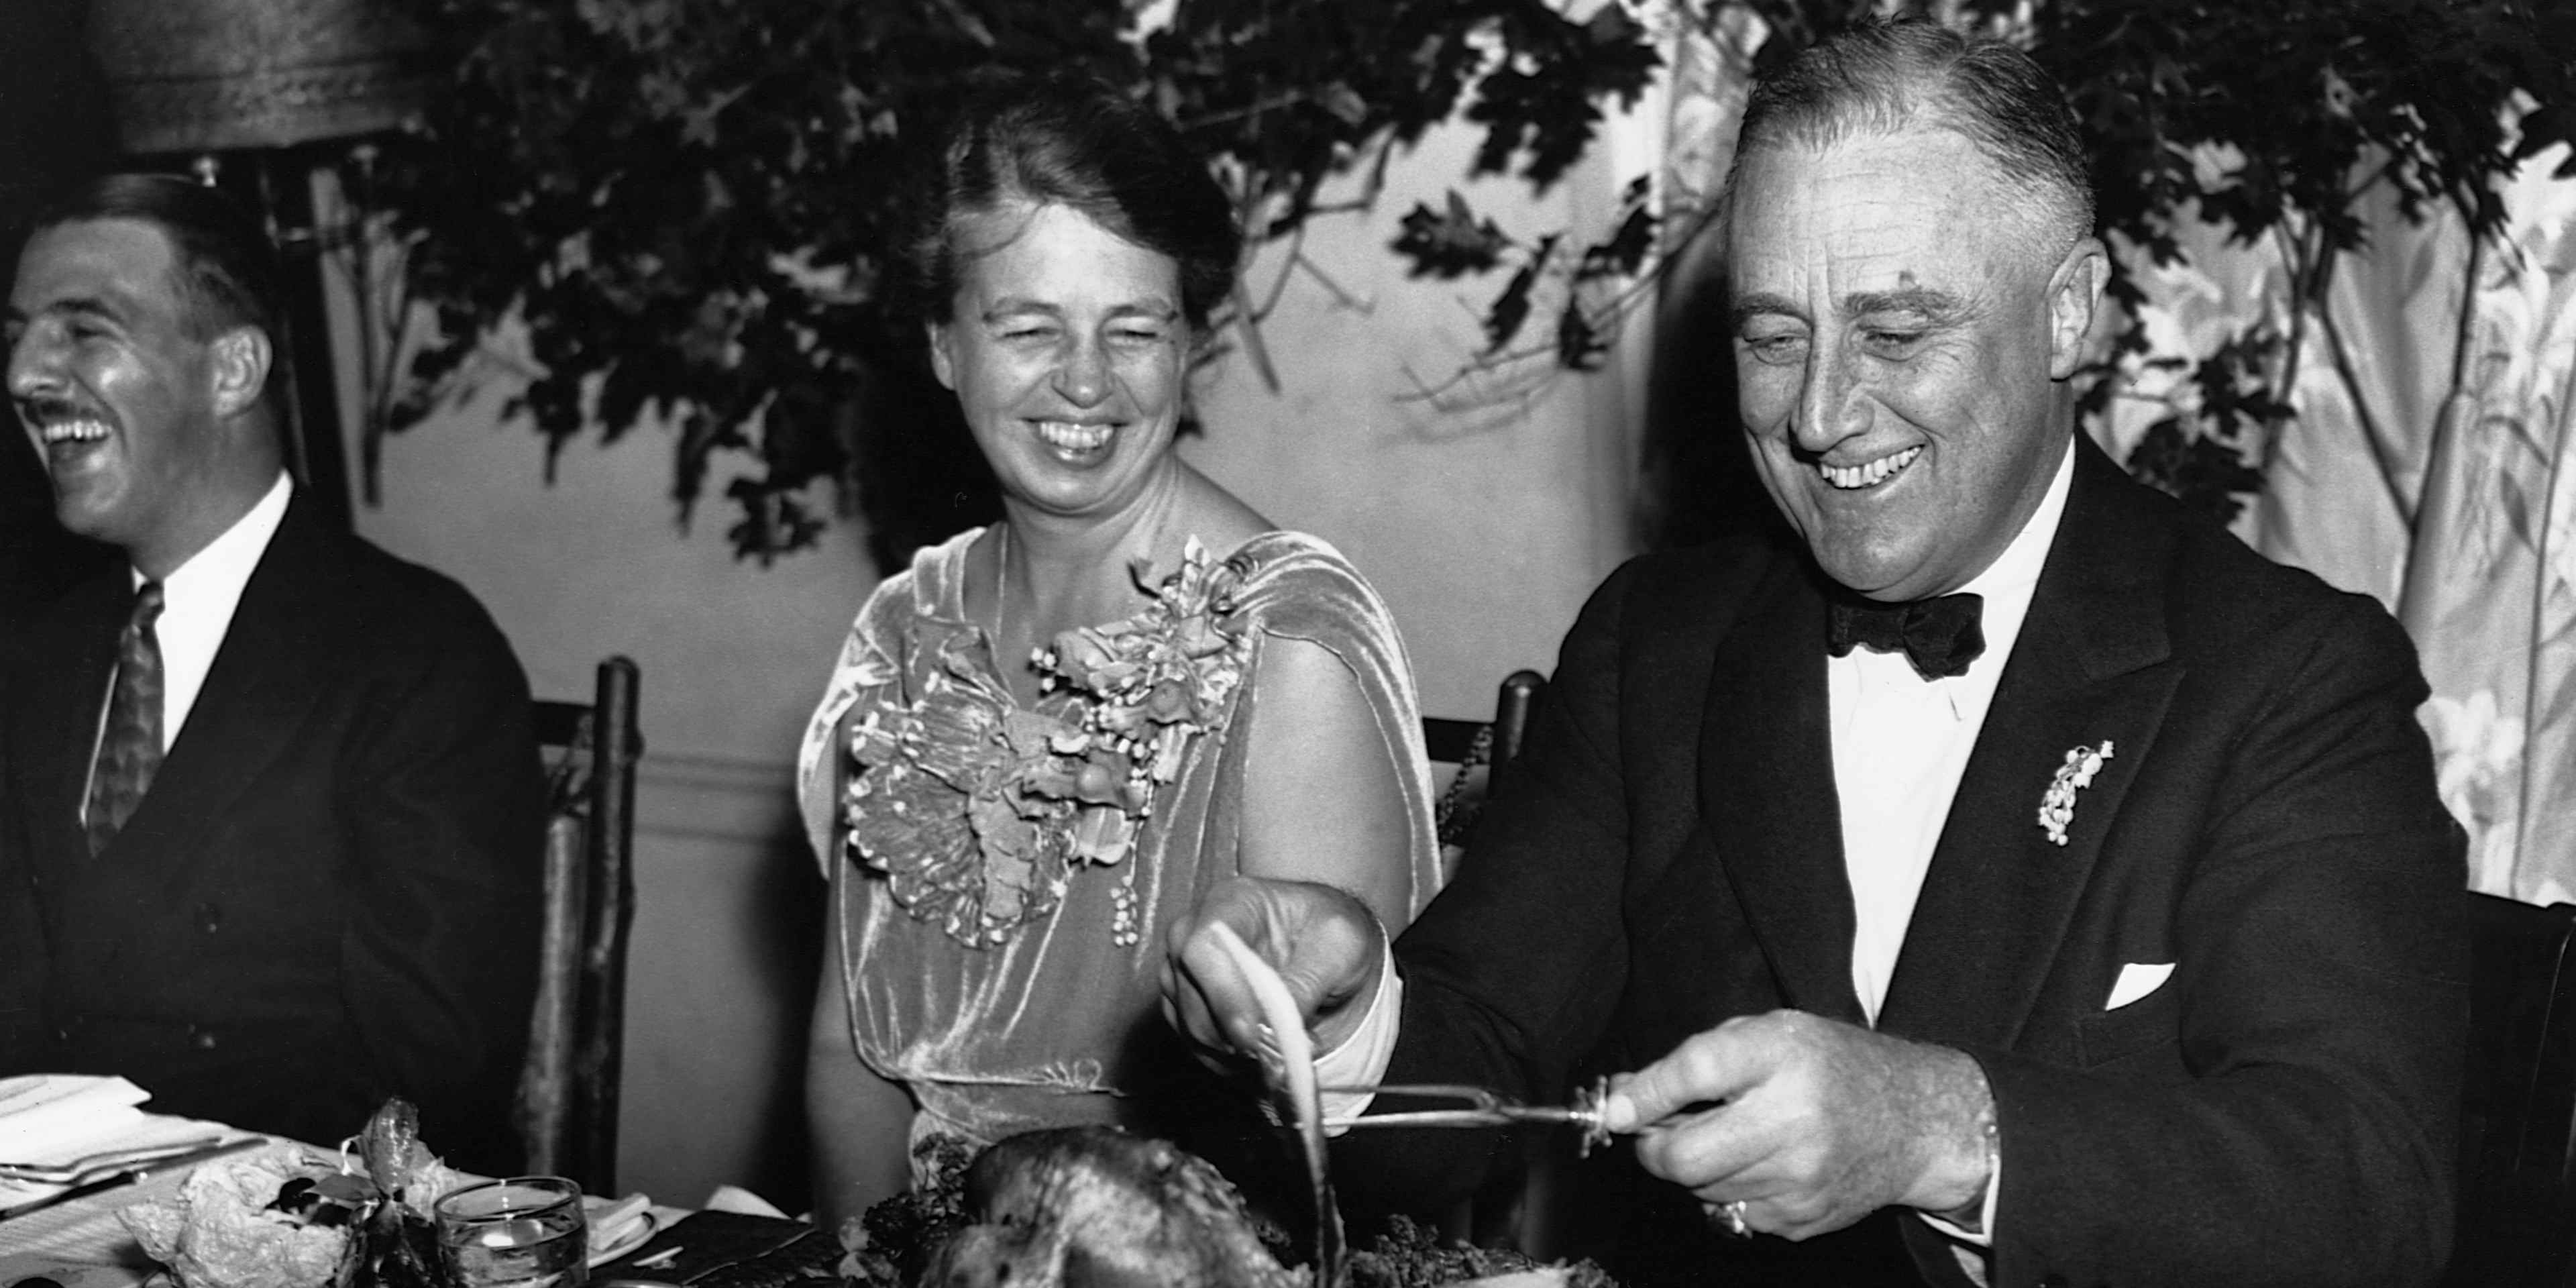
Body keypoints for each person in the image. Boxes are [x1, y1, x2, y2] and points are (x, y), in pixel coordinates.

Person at [1167, 19, 2465, 1288]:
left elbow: (2365, 1187)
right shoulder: (1658, 646)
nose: (1821, 415)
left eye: (1896, 334)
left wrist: (1941, 1129)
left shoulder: (2288, 676)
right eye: (1774, 339)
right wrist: (1337, 1011)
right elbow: (1478, 1058)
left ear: (2069, 312)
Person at [795, 72, 1444, 1227]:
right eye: (1029, 328)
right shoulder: (904, 631)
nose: (1086, 381)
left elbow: (1346, 1142)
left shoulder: (1288, 640)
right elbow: (850, 1054)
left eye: (1133, 329)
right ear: (945, 344)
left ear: (1188, 344)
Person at [0, 174, 545, 1173]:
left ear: (233, 370)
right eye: (19, 335)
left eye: (82, 331)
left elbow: (429, 1080)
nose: (25, 374)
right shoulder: (34, 658)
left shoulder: (418, 656)